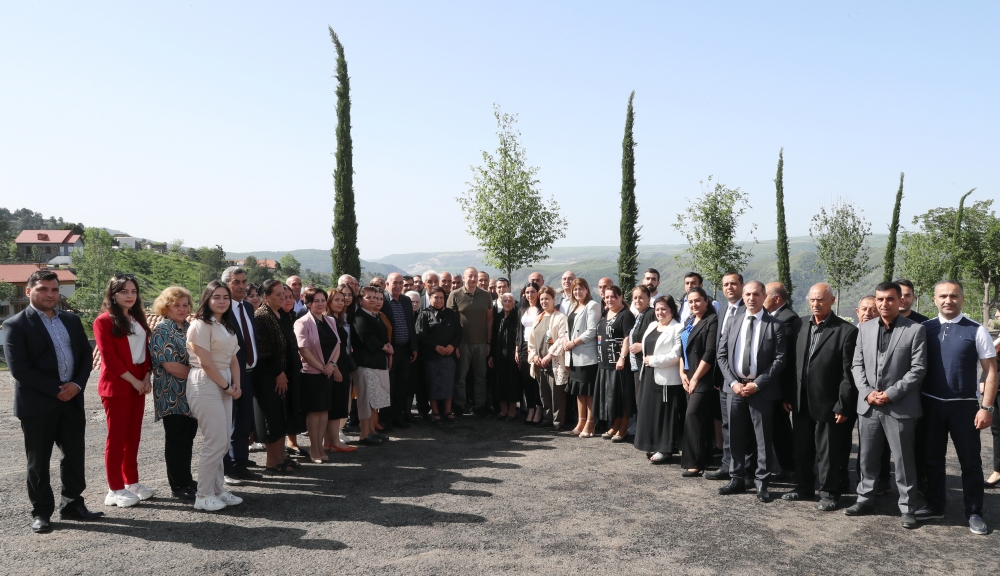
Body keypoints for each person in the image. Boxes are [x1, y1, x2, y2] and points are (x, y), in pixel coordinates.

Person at [4, 270, 99, 533]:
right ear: (29, 291)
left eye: (54, 289)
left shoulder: (71, 320)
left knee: (74, 456)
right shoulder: (15, 325)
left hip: (72, 400)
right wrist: (58, 389)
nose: (50, 294)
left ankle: (73, 504)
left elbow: (85, 355)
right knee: (39, 461)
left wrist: (76, 385)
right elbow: (19, 369)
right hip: (37, 404)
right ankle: (41, 512)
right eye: (43, 289)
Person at [914, 281, 997, 535]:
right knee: (932, 460)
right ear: (935, 299)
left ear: (962, 299)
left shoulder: (976, 330)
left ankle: (974, 512)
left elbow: (991, 372)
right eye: (943, 296)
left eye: (953, 296)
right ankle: (935, 505)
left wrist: (987, 408)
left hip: (965, 408)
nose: (948, 300)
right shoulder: (924, 329)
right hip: (930, 405)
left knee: (970, 463)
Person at [845, 281, 927, 529]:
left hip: (899, 407)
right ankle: (865, 499)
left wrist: (890, 394)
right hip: (869, 406)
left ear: (900, 300)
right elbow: (856, 365)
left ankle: (908, 508)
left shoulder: (915, 330)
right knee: (867, 457)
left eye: (889, 299)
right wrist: (867, 393)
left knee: (903, 461)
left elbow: (918, 369)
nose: (884, 304)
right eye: (880, 299)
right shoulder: (864, 328)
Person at [780, 283, 858, 511]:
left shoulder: (846, 331)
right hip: (800, 401)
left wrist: (843, 405)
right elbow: (792, 364)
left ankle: (829, 493)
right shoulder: (799, 324)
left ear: (832, 300)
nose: (816, 304)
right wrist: (788, 394)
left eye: (821, 300)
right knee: (802, 449)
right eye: (812, 300)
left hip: (829, 403)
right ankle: (803, 488)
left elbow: (848, 374)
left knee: (829, 452)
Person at [716, 280, 787, 503]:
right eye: (747, 294)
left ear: (764, 296)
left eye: (756, 294)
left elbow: (780, 359)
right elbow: (721, 355)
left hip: (761, 390)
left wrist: (758, 383)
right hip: (735, 389)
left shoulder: (775, 325)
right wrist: (733, 383)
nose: (751, 298)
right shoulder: (732, 321)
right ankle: (736, 478)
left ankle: (762, 483)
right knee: (735, 436)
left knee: (762, 439)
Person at [93, 274, 153, 507]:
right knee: (117, 438)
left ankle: (131, 482)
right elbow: (110, 359)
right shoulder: (103, 321)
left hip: (138, 382)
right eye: (124, 291)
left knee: (133, 436)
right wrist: (135, 381)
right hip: (117, 385)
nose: (130, 296)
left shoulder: (137, 318)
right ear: (113, 294)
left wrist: (146, 376)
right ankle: (114, 488)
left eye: (133, 291)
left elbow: (146, 352)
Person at [186, 281, 244, 512]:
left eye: (225, 297)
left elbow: (233, 358)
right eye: (216, 297)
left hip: (224, 382)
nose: (222, 301)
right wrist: (227, 386)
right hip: (205, 383)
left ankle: (218, 490)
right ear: (207, 299)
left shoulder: (226, 326)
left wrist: (236, 384)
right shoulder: (200, 325)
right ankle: (203, 495)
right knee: (216, 441)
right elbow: (205, 362)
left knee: (223, 441)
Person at [150, 286, 198, 500]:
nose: (182, 309)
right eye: (176, 305)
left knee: (188, 438)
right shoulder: (162, 330)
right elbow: (171, 366)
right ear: (165, 307)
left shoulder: (188, 327)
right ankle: (178, 485)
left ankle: (187, 479)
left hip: (191, 393)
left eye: (185, 305)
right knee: (177, 440)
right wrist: (202, 377)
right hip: (172, 394)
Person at [220, 266, 261, 483]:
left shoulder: (247, 307)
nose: (242, 286)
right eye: (236, 282)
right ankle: (226, 468)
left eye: (244, 281)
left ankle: (240, 463)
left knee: (244, 421)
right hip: (228, 374)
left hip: (250, 373)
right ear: (226, 284)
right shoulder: (221, 310)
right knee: (227, 423)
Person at [705, 272, 746, 481]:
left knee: (743, 428)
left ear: (742, 285)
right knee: (727, 425)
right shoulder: (722, 310)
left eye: (733, 284)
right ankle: (728, 465)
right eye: (725, 284)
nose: (729, 287)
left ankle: (745, 470)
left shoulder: (748, 310)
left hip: (741, 380)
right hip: (723, 379)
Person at [295, 287, 342, 462]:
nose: (320, 304)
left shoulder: (330, 321)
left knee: (324, 411)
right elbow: (303, 350)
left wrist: (332, 365)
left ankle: (320, 446)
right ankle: (314, 449)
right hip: (311, 373)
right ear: (308, 303)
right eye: (316, 301)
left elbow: (338, 345)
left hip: (327, 372)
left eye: (323, 300)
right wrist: (322, 367)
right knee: (315, 412)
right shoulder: (302, 322)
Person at [252, 280, 294, 472]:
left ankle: (281, 457)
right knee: (272, 416)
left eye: (283, 294)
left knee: (281, 416)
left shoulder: (280, 314)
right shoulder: (262, 316)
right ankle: (272, 461)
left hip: (284, 374)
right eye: (278, 294)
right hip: (269, 376)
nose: (283, 297)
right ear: (265, 297)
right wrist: (278, 373)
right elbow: (264, 351)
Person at [635, 296, 684, 463]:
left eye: (664, 309)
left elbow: (676, 354)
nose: (660, 312)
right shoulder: (652, 325)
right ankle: (652, 444)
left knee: (665, 414)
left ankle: (665, 449)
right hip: (648, 374)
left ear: (672, 310)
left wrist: (654, 360)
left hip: (666, 378)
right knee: (650, 411)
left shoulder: (678, 328)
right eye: (657, 309)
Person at [679, 287, 719, 476]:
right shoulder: (689, 321)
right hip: (688, 375)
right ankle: (705, 458)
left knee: (693, 417)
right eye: (690, 301)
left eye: (697, 300)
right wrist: (682, 373)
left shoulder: (712, 320)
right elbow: (682, 349)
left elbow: (710, 353)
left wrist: (695, 378)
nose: (694, 304)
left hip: (703, 377)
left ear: (706, 301)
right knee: (700, 419)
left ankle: (694, 463)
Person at [764, 281, 799, 480]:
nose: (761, 299)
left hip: (778, 385)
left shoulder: (788, 319)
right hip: (770, 385)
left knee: (781, 429)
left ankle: (789, 467)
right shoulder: (774, 316)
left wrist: (786, 394)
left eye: (765, 295)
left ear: (776, 298)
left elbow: (785, 359)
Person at [448, 267, 494, 415]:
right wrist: (454, 344)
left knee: (481, 377)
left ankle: (480, 405)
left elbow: (489, 320)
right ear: (464, 277)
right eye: (470, 276)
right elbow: (450, 321)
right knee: (460, 377)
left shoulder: (486, 295)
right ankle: (459, 405)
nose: (473, 279)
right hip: (462, 343)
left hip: (481, 343)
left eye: (475, 276)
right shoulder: (455, 294)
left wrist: (488, 342)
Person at [594, 285, 636, 441]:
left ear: (620, 297)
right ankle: (615, 425)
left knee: (622, 397)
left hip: (619, 363)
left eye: (613, 296)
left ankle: (623, 427)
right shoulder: (606, 313)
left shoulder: (626, 315)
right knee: (613, 397)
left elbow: (628, 337)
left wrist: (622, 357)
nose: (609, 299)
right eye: (606, 297)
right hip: (604, 362)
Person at [415, 286, 463, 424]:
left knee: (449, 383)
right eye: (436, 297)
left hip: (449, 355)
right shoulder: (424, 314)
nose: (439, 300)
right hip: (432, 356)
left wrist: (452, 346)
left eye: (442, 297)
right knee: (433, 384)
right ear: (429, 298)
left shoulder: (451, 314)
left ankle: (448, 411)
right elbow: (421, 335)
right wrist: (436, 347)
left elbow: (458, 332)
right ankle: (435, 412)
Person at [353, 286, 393, 445]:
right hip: (365, 363)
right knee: (365, 400)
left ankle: (371, 431)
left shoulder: (375, 315)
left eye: (375, 297)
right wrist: (383, 347)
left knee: (373, 401)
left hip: (377, 362)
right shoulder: (359, 316)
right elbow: (365, 336)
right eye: (368, 297)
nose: (373, 300)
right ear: (360, 300)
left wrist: (388, 346)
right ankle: (364, 434)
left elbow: (383, 335)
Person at [527, 286, 569, 431]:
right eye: (542, 299)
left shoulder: (560, 317)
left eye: (547, 299)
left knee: (556, 392)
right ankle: (547, 418)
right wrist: (534, 356)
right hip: (540, 362)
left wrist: (549, 355)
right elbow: (531, 340)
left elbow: (562, 338)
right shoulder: (538, 318)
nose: (544, 301)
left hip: (554, 361)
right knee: (543, 392)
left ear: (553, 300)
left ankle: (558, 421)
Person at [564, 278, 601, 437]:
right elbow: (568, 329)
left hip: (587, 356)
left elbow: (592, 331)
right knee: (579, 391)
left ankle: (590, 424)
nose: (577, 292)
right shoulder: (573, 306)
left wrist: (573, 343)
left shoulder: (592, 305)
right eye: (575, 289)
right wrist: (566, 341)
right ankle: (581, 422)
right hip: (573, 355)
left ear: (587, 290)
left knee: (589, 391)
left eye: (581, 288)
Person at [382, 273, 418, 427]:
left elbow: (411, 325)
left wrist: (414, 347)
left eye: (400, 283)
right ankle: (386, 419)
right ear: (387, 284)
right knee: (388, 385)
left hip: (405, 350)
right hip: (390, 350)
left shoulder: (406, 300)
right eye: (394, 283)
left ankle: (398, 416)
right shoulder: (382, 300)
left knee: (402, 385)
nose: (398, 286)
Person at [324, 289, 357, 452]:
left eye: (342, 300)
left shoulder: (338, 319)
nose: (340, 302)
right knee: (336, 404)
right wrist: (336, 368)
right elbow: (329, 347)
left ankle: (331, 442)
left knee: (338, 403)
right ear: (328, 301)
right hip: (335, 366)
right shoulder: (328, 320)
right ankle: (333, 441)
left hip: (342, 363)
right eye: (336, 299)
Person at [281, 285, 308, 458]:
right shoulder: (275, 318)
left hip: (295, 368)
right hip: (280, 370)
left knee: (294, 405)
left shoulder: (294, 316)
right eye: (284, 297)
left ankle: (292, 442)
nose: (288, 300)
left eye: (290, 296)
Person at [490, 292, 521, 421]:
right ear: (501, 303)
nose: (507, 303)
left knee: (512, 382)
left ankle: (512, 411)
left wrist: (517, 350)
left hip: (512, 354)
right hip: (499, 354)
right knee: (499, 382)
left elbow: (519, 336)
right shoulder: (497, 317)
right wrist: (491, 355)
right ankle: (503, 410)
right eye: (505, 301)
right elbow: (493, 337)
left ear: (514, 303)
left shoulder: (518, 316)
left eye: (510, 301)